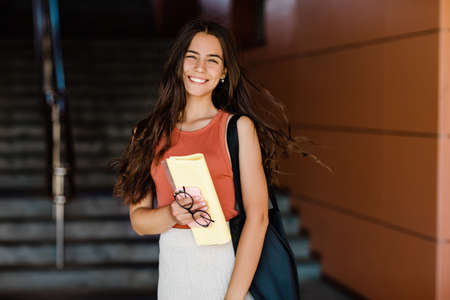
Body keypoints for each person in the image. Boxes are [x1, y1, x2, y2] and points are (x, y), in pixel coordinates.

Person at [113, 19, 307, 300]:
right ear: (179, 63)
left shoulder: (237, 128)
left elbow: (259, 217)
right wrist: (171, 213)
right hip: (175, 273)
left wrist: (233, 297)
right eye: (192, 57)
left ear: (224, 72)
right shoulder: (146, 133)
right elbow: (139, 221)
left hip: (228, 268)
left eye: (212, 60)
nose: (200, 68)